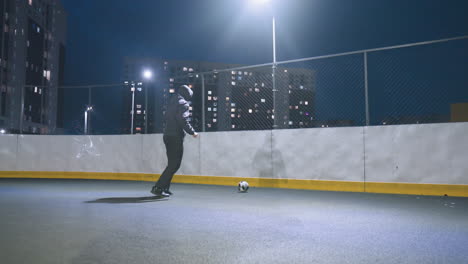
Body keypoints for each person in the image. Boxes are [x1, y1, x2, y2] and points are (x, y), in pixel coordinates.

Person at [151, 85, 198, 197]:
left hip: (167, 135)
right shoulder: (184, 104)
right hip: (175, 136)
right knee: (174, 164)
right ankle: (158, 187)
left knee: (172, 164)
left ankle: (165, 188)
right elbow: (183, 120)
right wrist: (192, 132)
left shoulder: (171, 102)